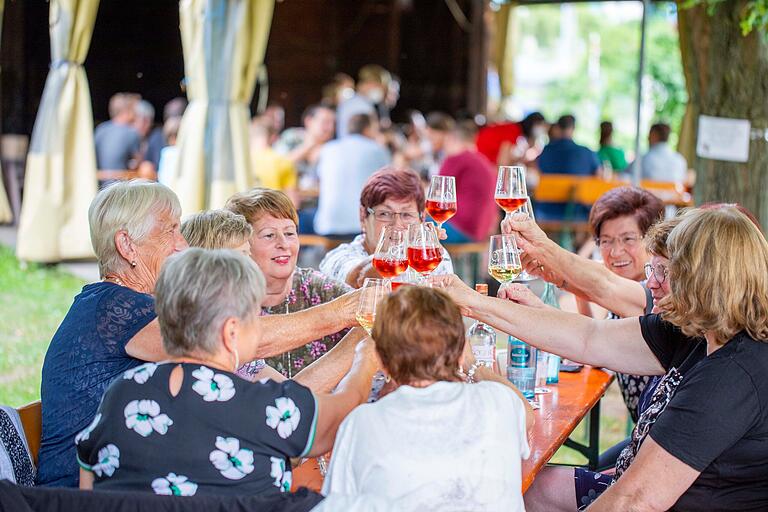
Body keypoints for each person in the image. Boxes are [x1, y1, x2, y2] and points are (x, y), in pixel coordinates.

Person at [434, 206, 768, 512]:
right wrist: (467, 299)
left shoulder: (730, 375)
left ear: (707, 279)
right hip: (643, 489)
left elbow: (633, 501)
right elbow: (589, 337)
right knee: (529, 486)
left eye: (665, 272)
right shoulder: (698, 330)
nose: (650, 282)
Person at [36, 181, 365, 488]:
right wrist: (348, 312)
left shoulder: (135, 352)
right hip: (84, 496)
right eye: (171, 231)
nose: (182, 245)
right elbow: (233, 341)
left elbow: (290, 397)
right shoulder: (112, 309)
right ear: (127, 245)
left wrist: (362, 336)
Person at [76, 248, 379, 496]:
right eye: (255, 315)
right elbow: (342, 414)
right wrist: (366, 355)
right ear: (231, 331)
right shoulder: (264, 407)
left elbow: (89, 485)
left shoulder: (121, 393)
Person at [322, 286, 533, 511]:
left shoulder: (363, 422)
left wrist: (363, 365)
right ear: (462, 349)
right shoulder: (499, 401)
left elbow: (336, 501)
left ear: (381, 361)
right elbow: (525, 412)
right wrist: (471, 363)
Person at [224, 188, 358, 378]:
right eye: (269, 235)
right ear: (241, 242)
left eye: (289, 233)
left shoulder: (316, 287)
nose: (283, 244)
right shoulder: (224, 300)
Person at [578, 187, 664, 422]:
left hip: (665, 440)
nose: (616, 252)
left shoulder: (655, 291)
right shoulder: (619, 296)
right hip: (644, 430)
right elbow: (594, 351)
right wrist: (580, 295)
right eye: (606, 241)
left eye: (628, 239)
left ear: (652, 240)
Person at [319, 168, 454, 288]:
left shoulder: (436, 259)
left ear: (422, 218)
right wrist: (406, 252)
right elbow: (358, 279)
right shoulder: (339, 258)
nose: (397, 225)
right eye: (384, 214)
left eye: (406, 215)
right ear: (363, 216)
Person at [313, 114, 391, 238]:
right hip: (362, 226)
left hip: (327, 225)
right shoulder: (377, 149)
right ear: (368, 129)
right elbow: (391, 183)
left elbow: (318, 178)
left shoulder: (328, 148)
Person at [438, 121, 498, 243]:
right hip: (481, 229)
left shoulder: (458, 157)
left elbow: (437, 191)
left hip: (461, 227)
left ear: (451, 139)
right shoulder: (481, 159)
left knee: (411, 226)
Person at [274, 104, 336, 190]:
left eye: (333, 123)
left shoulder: (333, 148)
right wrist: (308, 147)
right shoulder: (292, 137)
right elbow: (277, 166)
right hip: (288, 198)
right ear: (309, 121)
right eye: (325, 122)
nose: (330, 128)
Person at [249, 116, 299, 205]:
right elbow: (293, 203)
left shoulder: (238, 162)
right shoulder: (283, 161)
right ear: (274, 137)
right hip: (272, 215)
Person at [94, 93, 141, 186]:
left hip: (99, 187)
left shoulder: (100, 129)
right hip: (121, 189)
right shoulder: (131, 132)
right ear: (127, 111)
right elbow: (138, 163)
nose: (136, 115)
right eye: (134, 111)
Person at [336, 64, 390, 138]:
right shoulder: (360, 106)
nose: (381, 91)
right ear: (367, 83)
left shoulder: (357, 103)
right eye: (378, 85)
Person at [476, 111, 547, 166]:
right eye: (539, 124)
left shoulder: (515, 131)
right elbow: (503, 163)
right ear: (531, 124)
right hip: (482, 159)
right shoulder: (513, 129)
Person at [423, 112, 455, 177]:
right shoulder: (438, 151)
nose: (430, 142)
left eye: (432, 137)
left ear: (444, 133)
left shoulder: (453, 155)